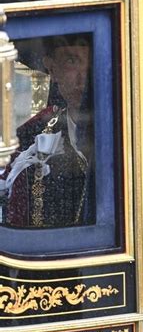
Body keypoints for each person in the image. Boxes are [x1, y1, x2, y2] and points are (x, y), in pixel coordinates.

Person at [0, 34, 95, 228]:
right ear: (52, 68)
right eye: (72, 61)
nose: (83, 77)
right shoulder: (27, 145)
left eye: (92, 61)